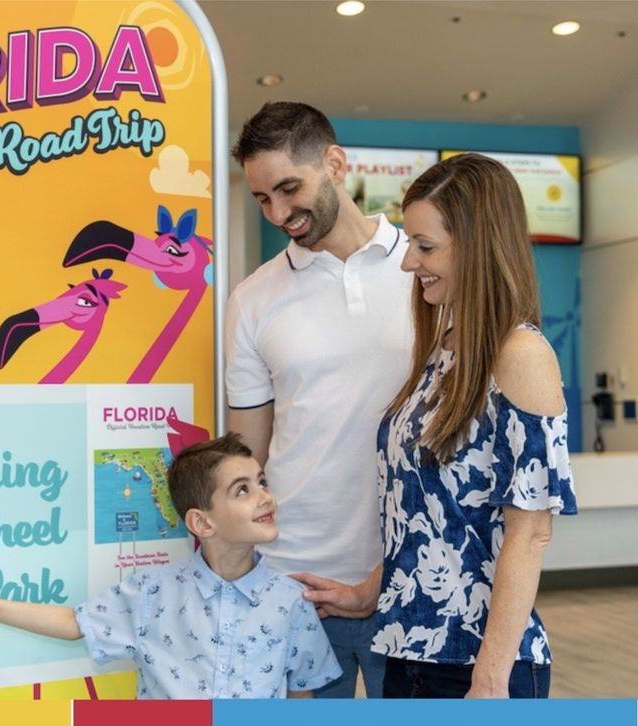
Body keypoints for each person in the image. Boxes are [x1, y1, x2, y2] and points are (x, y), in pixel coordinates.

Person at [363, 152, 576, 697]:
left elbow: (530, 532)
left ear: (479, 247)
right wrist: (371, 590)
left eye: (425, 246)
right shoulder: (445, 349)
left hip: (477, 666)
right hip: (405, 650)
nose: (409, 262)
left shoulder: (521, 355)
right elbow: (423, 512)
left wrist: (488, 678)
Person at [0, 433, 342, 699]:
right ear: (201, 522)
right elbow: (73, 622)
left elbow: (298, 693)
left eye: (262, 482)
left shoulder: (291, 603)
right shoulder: (153, 592)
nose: (265, 496)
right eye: (242, 490)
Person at [226, 101, 413, 697]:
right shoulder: (253, 298)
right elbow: (246, 454)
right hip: (294, 577)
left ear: (334, 163)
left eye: (289, 188)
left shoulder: (427, 273)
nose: (280, 213)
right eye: (262, 199)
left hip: (413, 572)